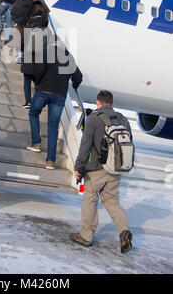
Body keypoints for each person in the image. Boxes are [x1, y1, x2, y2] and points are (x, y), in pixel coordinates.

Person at [71, 90, 133, 254]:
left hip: (96, 169)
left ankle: (86, 235)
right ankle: (124, 231)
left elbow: (85, 145)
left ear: (98, 103)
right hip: (115, 169)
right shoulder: (123, 119)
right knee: (112, 201)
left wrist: (78, 167)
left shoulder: (94, 118)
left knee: (90, 199)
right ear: (112, 104)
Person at [24, 33, 83, 170]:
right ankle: (50, 161)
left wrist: (38, 84)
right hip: (60, 96)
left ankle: (36, 143)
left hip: (43, 91)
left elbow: (37, 70)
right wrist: (74, 84)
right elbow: (78, 76)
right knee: (53, 127)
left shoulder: (47, 52)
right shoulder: (68, 56)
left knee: (33, 113)